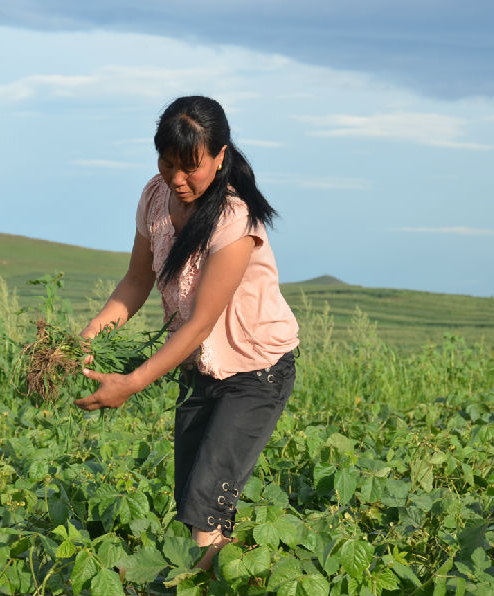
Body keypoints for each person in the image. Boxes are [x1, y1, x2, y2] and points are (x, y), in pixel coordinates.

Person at [75, 95, 299, 570]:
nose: (176, 178)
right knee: (192, 506)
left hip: (256, 372)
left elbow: (200, 323)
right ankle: (239, 577)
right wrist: (91, 333)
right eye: (167, 163)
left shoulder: (234, 220)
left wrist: (132, 383)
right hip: (202, 367)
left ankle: (244, 576)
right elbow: (136, 281)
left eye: (190, 167)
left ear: (219, 158)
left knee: (205, 508)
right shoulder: (155, 197)